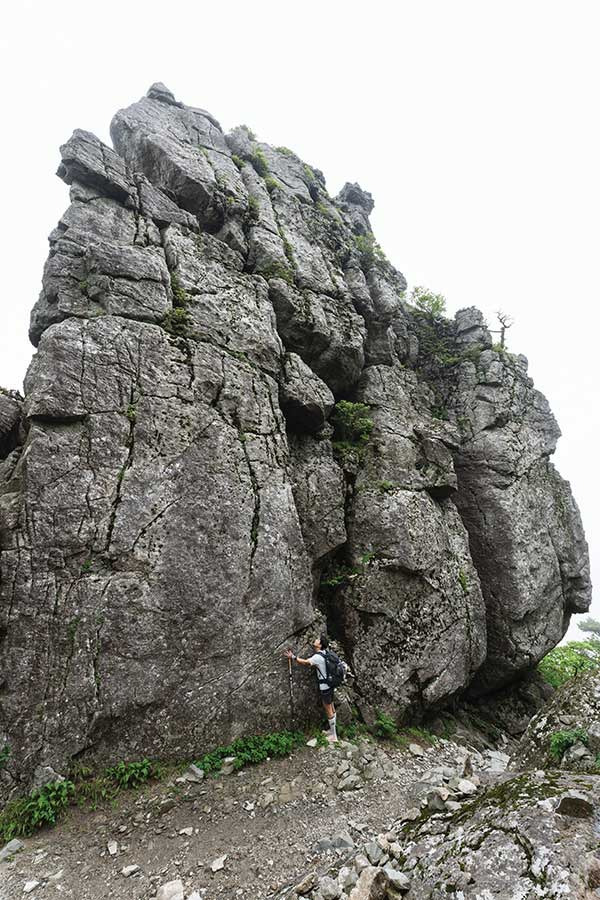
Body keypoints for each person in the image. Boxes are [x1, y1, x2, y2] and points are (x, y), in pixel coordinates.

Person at [285, 633, 337, 742]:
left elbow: (305, 662)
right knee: (331, 707)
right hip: (330, 684)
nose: (316, 640)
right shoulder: (325, 653)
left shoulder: (318, 657)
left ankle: (334, 736)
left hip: (325, 687)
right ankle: (332, 731)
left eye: (318, 640)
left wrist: (293, 657)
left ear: (320, 644)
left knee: (328, 709)